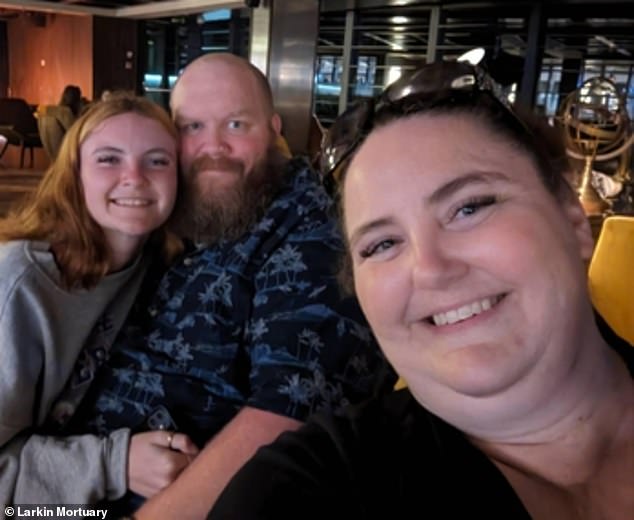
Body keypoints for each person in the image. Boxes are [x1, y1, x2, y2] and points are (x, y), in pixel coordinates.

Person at [208, 61, 634, 519]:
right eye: (383, 244)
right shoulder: (309, 487)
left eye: (469, 207)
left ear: (573, 220)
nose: (430, 268)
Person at [57, 53, 392, 518]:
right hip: (69, 477)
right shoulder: (177, 208)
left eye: (236, 125)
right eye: (192, 127)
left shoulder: (312, 233)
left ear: (274, 129)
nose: (212, 147)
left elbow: (286, 418)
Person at [0, 93, 199, 507]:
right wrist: (115, 464)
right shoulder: (22, 283)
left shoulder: (160, 262)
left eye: (158, 160)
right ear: (74, 176)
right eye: (109, 159)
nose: (135, 176)